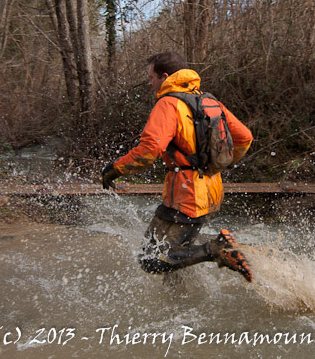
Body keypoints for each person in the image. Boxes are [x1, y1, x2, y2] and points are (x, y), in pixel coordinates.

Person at [101, 51, 255, 282]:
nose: (149, 83)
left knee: (151, 258)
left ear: (165, 76)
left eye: (151, 77)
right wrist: (214, 166)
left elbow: (149, 150)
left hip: (185, 196)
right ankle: (182, 298)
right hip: (210, 193)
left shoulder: (168, 103)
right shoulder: (209, 101)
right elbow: (244, 137)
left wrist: (115, 169)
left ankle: (218, 249)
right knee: (177, 256)